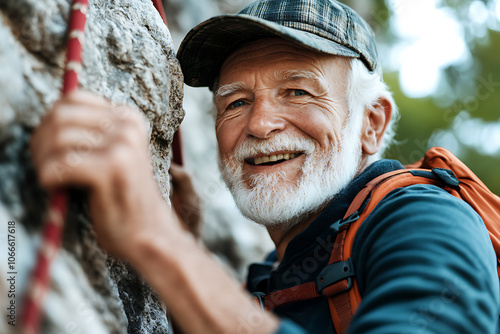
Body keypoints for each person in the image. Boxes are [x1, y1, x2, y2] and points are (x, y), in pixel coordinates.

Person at [30, 0, 499, 333]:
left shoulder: (426, 221)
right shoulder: (284, 267)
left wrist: (156, 238)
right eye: (235, 102)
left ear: (371, 125)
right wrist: (186, 241)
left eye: (297, 91)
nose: (259, 123)